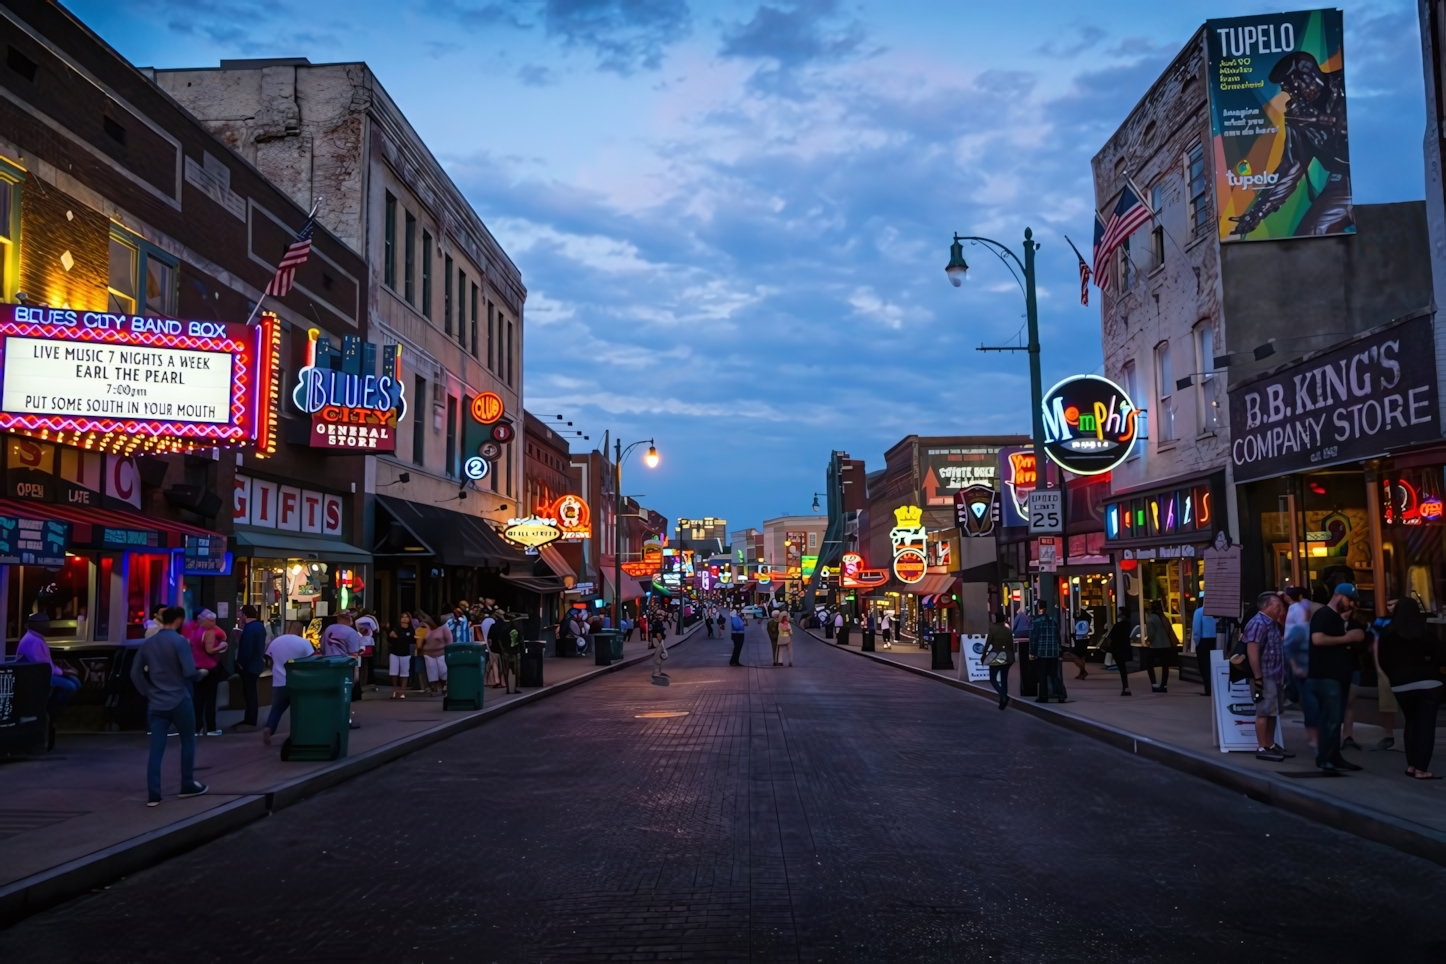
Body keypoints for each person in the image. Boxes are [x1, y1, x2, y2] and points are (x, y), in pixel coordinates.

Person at [131, 607, 208, 805]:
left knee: (156, 748)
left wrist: (147, 692)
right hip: (179, 698)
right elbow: (189, 672)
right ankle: (187, 784)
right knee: (188, 741)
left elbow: (135, 673)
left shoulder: (148, 644)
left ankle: (154, 793)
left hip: (156, 702)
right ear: (179, 620)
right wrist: (201, 674)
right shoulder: (179, 641)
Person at [1376, 598, 1442, 779]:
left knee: (1411, 722)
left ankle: (1412, 765)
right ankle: (1421, 768)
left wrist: (1394, 677)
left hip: (1401, 684)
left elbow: (1382, 660)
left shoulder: (1388, 634)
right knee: (1426, 725)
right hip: (1429, 683)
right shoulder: (1427, 634)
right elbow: (1441, 657)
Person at [1308, 584, 1368, 773]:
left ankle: (1334, 756)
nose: (1350, 604)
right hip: (1326, 676)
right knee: (1330, 718)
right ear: (1337, 596)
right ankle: (1325, 758)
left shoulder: (1336, 618)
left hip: (1338, 675)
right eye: (1348, 599)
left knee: (1336, 718)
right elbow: (1317, 639)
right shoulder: (1324, 614)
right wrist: (1348, 638)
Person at [15, 613, 80, 746]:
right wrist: (63, 672)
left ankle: (52, 711)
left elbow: (47, 664)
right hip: (34, 677)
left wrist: (63, 671)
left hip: (41, 673)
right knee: (70, 686)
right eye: (45, 623)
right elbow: (44, 667)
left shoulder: (37, 638)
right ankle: (51, 711)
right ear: (37, 625)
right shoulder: (32, 641)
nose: (48, 626)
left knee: (75, 682)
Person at [1243, 591, 1293, 762]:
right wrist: (1258, 677)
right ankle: (1262, 746)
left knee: (1273, 712)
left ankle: (1270, 744)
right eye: (1277, 605)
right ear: (1268, 606)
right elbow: (1253, 651)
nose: (1280, 609)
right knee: (1263, 711)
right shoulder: (1257, 623)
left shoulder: (1272, 623)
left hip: (1276, 675)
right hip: (1265, 676)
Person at [261, 622, 316, 746]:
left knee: (277, 709)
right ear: (300, 630)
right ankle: (298, 734)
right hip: (298, 681)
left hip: (279, 682)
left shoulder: (276, 641)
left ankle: (269, 729)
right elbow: (312, 661)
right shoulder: (304, 643)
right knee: (299, 709)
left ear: (288, 628)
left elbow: (268, 657)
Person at [1282, 586, 1321, 751]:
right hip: (1304, 667)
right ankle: (1316, 738)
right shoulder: (1302, 624)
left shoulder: (1297, 610)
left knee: (1312, 703)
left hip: (1309, 667)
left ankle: (1317, 738)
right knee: (1310, 702)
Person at [188, 609, 228, 737]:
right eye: (212, 620)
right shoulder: (210, 633)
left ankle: (196, 728)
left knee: (198, 699)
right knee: (210, 699)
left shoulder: (196, 631)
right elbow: (210, 650)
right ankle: (211, 728)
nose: (214, 622)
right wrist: (221, 646)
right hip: (209, 668)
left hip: (197, 666)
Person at [321, 612, 365, 727]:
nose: (352, 619)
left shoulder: (328, 629)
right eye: (350, 617)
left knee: (331, 694)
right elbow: (354, 654)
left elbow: (322, 649)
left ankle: (330, 718)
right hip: (344, 667)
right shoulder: (352, 633)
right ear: (347, 618)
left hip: (329, 665)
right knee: (345, 695)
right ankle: (345, 720)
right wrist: (356, 674)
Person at [232, 606, 267, 732]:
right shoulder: (259, 626)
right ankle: (250, 718)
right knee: (251, 692)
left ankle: (250, 720)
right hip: (256, 664)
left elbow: (246, 648)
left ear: (245, 615)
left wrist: (240, 662)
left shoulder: (250, 628)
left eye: (241, 613)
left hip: (249, 666)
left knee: (249, 693)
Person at [1029, 601, 1065, 703]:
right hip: (1053, 652)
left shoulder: (1036, 622)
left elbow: (1034, 638)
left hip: (1041, 652)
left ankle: (1043, 696)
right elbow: (1058, 637)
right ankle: (1060, 694)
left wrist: (1032, 652)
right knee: (1054, 674)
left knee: (1042, 675)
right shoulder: (1053, 622)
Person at [980, 612, 1015, 709]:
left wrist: (983, 657)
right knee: (1004, 679)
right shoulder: (1008, 630)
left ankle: (1003, 695)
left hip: (996, 656)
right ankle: (1002, 701)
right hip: (1008, 657)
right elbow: (1011, 645)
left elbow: (987, 644)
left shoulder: (993, 629)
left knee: (992, 678)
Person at [1144, 601, 1177, 693]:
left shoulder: (1151, 618)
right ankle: (1164, 684)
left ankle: (1154, 684)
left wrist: (1148, 641)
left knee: (1149, 663)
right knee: (1165, 665)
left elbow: (1151, 634)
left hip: (1155, 645)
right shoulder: (1164, 617)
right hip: (1166, 644)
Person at [387, 613, 415, 699]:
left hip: (406, 653)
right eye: (403, 617)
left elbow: (411, 640)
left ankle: (402, 691)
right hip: (394, 653)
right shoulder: (396, 628)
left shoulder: (411, 630)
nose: (404, 619)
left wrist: (398, 637)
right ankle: (395, 689)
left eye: (407, 617)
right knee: (394, 672)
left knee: (404, 673)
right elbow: (390, 638)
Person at [1192, 603, 1218, 697]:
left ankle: (1208, 689)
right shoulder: (1218, 612)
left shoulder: (1199, 612)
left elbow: (1196, 630)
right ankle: (1216, 689)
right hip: (1216, 640)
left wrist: (1197, 642)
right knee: (1215, 666)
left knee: (1204, 667)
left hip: (1203, 640)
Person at [420, 615, 450, 696]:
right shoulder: (426, 629)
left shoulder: (444, 628)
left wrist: (448, 651)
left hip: (441, 652)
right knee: (431, 670)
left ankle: (445, 685)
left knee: (443, 669)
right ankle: (433, 686)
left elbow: (450, 640)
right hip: (428, 653)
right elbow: (420, 639)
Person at [1104, 615, 1134, 696]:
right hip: (1126, 648)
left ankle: (1125, 686)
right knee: (1123, 668)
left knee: (1122, 667)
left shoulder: (1117, 626)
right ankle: (1126, 686)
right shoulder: (1130, 626)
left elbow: (1110, 638)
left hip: (1117, 648)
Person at [496, 618, 522, 694]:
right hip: (515, 651)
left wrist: (503, 650)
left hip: (507, 652)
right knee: (516, 671)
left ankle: (509, 688)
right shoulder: (517, 629)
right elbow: (520, 640)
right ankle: (514, 687)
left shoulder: (504, 629)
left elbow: (500, 640)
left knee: (507, 671)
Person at [355, 613, 379, 693]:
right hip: (366, 645)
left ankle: (361, 684)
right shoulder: (369, 622)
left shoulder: (358, 623)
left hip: (363, 645)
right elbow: (377, 629)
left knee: (362, 667)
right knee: (364, 666)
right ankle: (362, 684)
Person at [1066, 610, 1090, 680]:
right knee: (1081, 656)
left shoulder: (1079, 620)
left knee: (1075, 655)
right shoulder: (1086, 619)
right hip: (1084, 638)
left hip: (1079, 639)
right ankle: (1082, 672)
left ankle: (1083, 671)